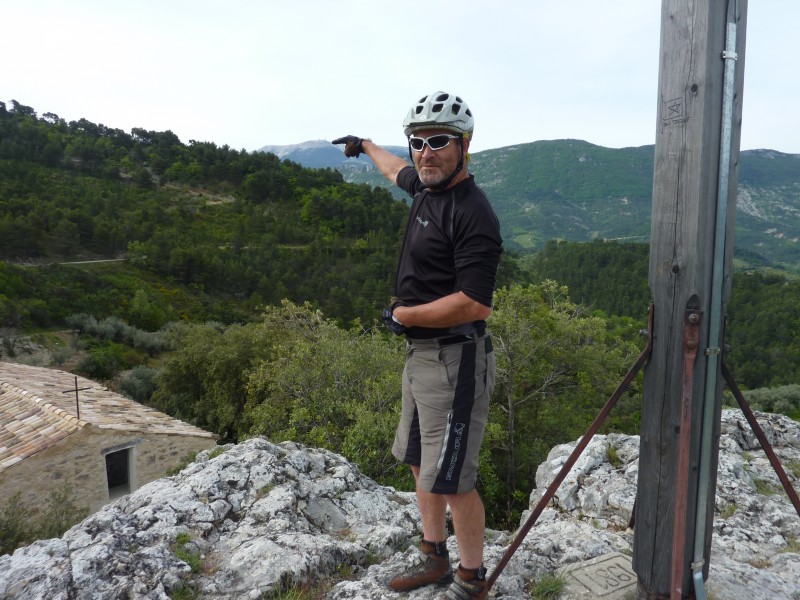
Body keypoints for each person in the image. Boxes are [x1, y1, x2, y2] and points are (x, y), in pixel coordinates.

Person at [333, 91, 502, 599]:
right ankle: (433, 556)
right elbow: (393, 172)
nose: (425, 152)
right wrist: (364, 145)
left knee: (452, 478)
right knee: (417, 460)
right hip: (421, 357)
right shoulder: (427, 188)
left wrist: (404, 315)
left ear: (464, 145)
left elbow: (475, 303)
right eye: (418, 142)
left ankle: (471, 579)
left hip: (456, 359)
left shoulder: (474, 213)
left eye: (438, 141)